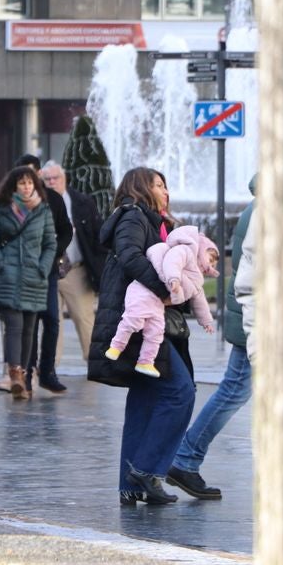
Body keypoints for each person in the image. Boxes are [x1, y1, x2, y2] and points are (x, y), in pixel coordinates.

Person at [88, 167, 195, 506]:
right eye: (159, 185)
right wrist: (165, 288)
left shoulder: (153, 222)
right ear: (141, 189)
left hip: (143, 320)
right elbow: (132, 256)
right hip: (139, 320)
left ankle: (130, 485)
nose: (166, 191)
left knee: (145, 401)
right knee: (181, 392)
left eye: (166, 184)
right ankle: (146, 471)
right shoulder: (134, 216)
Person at [168, 175, 257, 499]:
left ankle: (185, 459)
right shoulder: (269, 208)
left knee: (236, 390)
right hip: (258, 318)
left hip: (257, 315)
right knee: (235, 390)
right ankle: (185, 459)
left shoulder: (265, 204)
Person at [0, 166, 56, 401]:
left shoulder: (43, 210)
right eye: (21, 183)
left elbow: (50, 244)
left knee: (29, 331)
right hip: (9, 277)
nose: (26, 186)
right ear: (13, 186)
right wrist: (0, 264)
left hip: (34, 277)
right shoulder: (2, 209)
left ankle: (22, 378)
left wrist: (43, 267)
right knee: (14, 327)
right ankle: (14, 374)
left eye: (29, 182)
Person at [105, 225, 218, 377]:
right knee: (134, 319)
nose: (208, 266)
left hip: (158, 301)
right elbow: (173, 261)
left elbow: (199, 300)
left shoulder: (195, 278)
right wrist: (174, 279)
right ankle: (116, 346)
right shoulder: (186, 251)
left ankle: (146, 362)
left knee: (156, 331)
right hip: (144, 290)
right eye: (209, 259)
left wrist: (206, 320)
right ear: (201, 249)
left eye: (212, 265)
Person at [40, 161, 106, 365]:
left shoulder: (82, 202)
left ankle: (94, 362)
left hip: (76, 270)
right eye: (47, 179)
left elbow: (98, 237)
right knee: (51, 321)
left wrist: (100, 269)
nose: (52, 182)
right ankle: (50, 365)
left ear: (64, 178)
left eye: (55, 178)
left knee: (84, 317)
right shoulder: (37, 202)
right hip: (47, 269)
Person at [18, 154, 72, 394]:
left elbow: (66, 231)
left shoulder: (54, 200)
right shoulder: (10, 202)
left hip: (47, 271)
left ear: (39, 173)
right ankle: (26, 373)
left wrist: (53, 251)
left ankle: (47, 372)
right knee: (28, 322)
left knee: (51, 319)